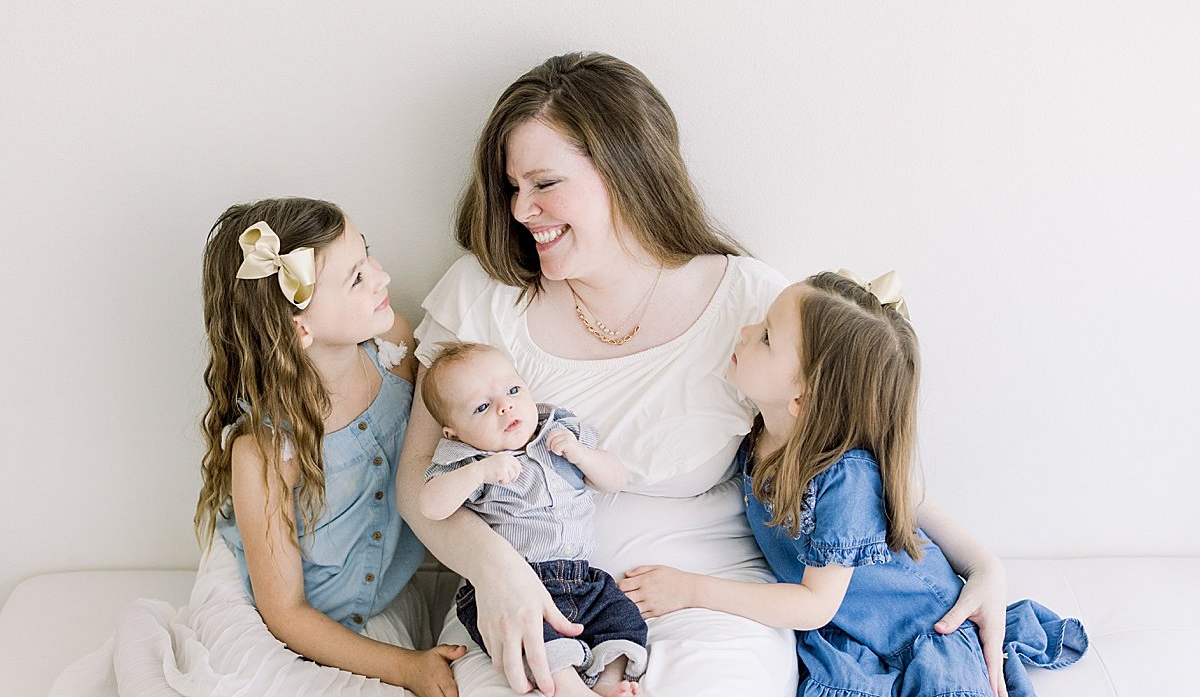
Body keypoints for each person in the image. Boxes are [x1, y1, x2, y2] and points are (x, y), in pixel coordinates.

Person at [397, 52, 1010, 697]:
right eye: (513, 187)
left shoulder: (749, 304)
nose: (522, 210)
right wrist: (496, 572)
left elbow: (852, 451)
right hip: (530, 594)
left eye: (545, 184)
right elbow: (417, 485)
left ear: (623, 170)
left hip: (710, 597)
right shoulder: (480, 296)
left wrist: (985, 562)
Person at [619, 270, 1090, 697]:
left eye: (765, 337)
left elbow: (815, 605)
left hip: (913, 627)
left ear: (802, 398)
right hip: (852, 625)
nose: (743, 332)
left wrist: (691, 590)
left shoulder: (846, 478)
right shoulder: (759, 433)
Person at [194, 197, 466, 696]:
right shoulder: (266, 454)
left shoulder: (397, 352)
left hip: (373, 603)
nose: (382, 277)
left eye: (368, 256)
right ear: (300, 329)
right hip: (289, 624)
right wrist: (408, 668)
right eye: (357, 278)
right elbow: (287, 613)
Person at [419, 342, 647, 697]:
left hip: (583, 577)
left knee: (622, 620)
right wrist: (479, 472)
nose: (504, 406)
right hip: (514, 586)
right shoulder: (468, 460)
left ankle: (607, 681)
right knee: (538, 644)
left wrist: (583, 456)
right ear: (454, 434)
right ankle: (572, 690)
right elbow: (430, 506)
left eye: (512, 390)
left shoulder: (557, 428)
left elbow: (616, 479)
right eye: (481, 407)